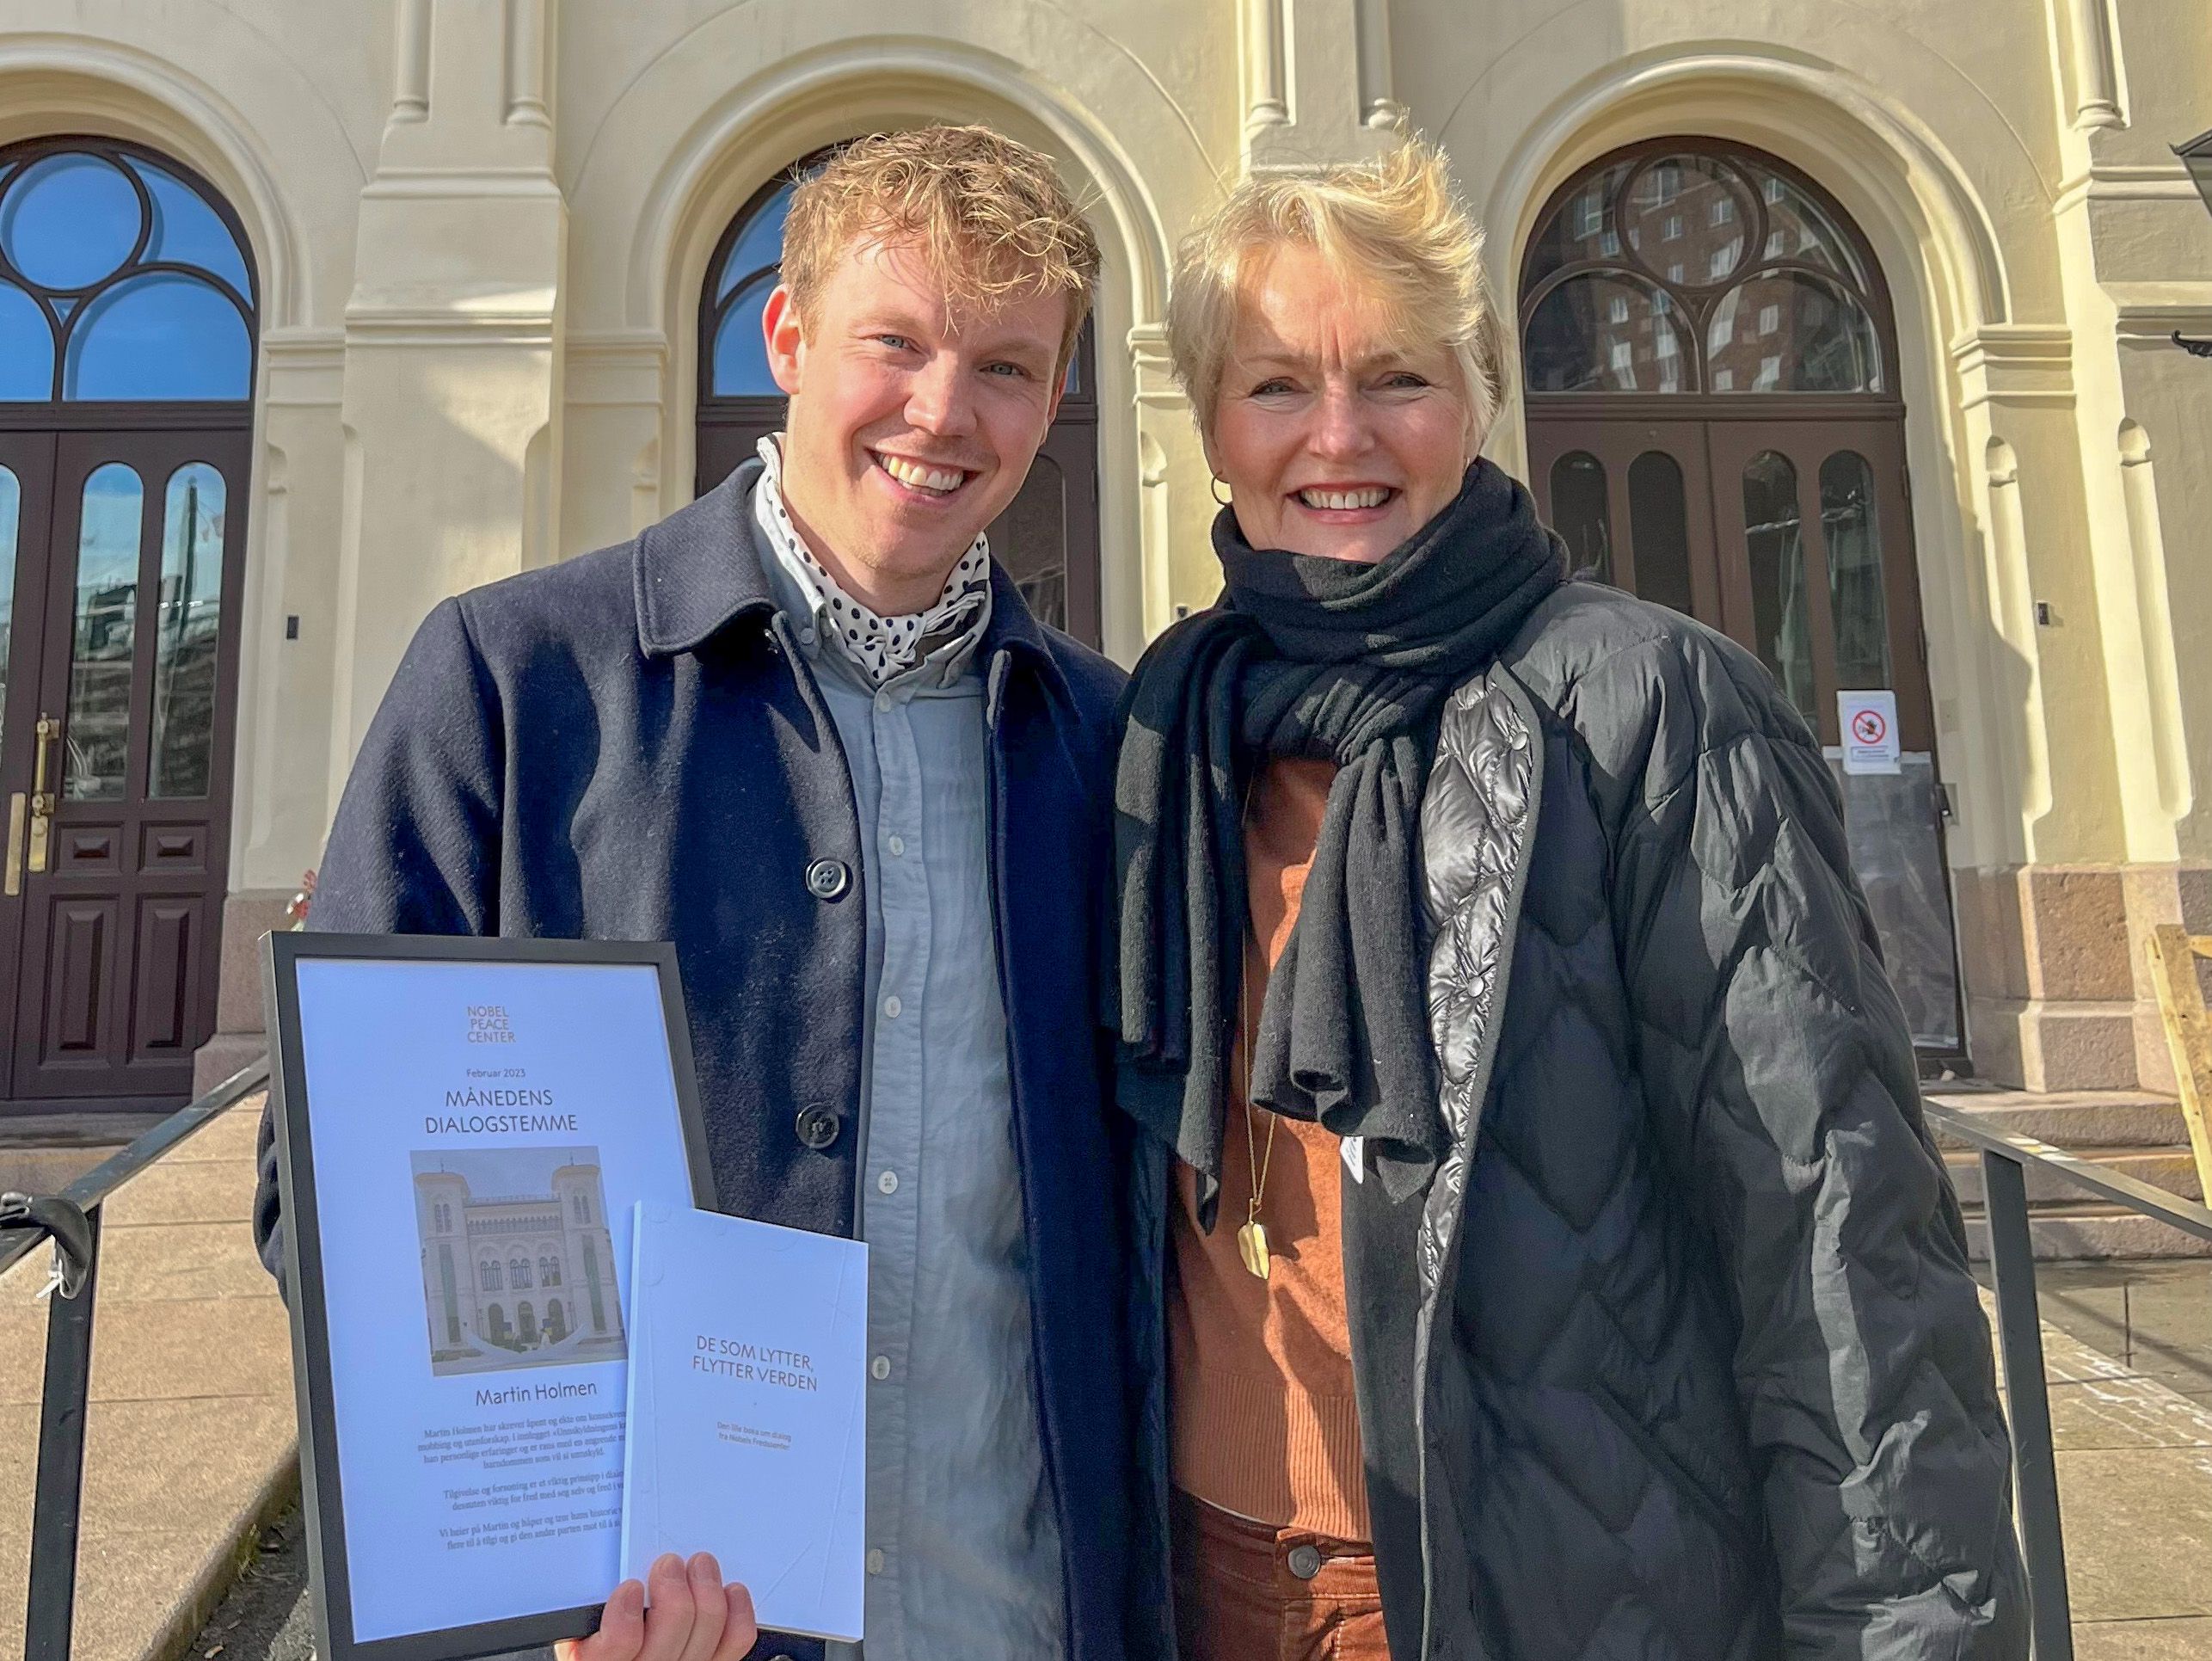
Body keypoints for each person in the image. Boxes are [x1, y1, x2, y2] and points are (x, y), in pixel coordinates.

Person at [1106, 138, 2026, 1660]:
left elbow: (1839, 1244)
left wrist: (1906, 1631)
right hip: (1198, 1581)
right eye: (1275, 386)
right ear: (1210, 426)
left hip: (1533, 1600)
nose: (1338, 435)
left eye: (1395, 377)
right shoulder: (1170, 724)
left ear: (1477, 399)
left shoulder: (1653, 707)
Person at [253, 125, 1134, 1661]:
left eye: (1005, 366)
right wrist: (532, 1573)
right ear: (786, 338)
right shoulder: (512, 683)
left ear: (1054, 399)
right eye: (896, 343)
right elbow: (329, 1191)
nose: (943, 411)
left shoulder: (1105, 743)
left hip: (1010, 1615)